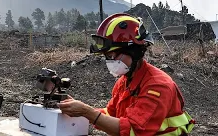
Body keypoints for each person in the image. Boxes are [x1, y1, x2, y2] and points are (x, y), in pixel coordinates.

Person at [57, 13, 195, 136]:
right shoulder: (124, 81)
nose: (109, 61)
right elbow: (110, 114)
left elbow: (133, 131)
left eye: (112, 55)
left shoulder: (157, 86)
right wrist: (78, 108)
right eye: (106, 56)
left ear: (133, 51)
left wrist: (87, 112)